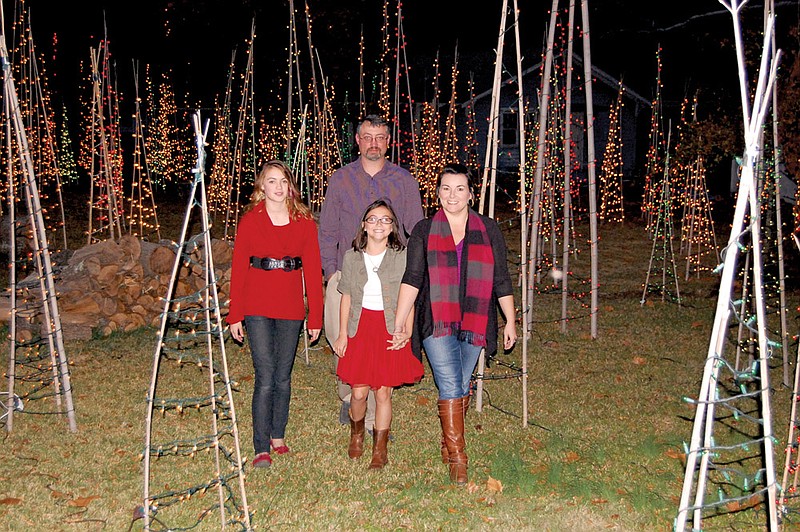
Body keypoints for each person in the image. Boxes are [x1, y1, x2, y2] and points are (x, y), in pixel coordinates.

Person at [392, 163, 517, 485]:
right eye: (446, 188)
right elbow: (413, 277)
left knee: (460, 386)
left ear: (471, 194)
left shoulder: (488, 229)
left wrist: (511, 322)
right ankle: (459, 458)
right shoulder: (423, 229)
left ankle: (447, 443)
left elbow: (501, 279)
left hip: (476, 319)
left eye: (460, 188)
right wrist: (401, 321)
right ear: (437, 193)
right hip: (437, 320)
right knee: (450, 386)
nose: (452, 195)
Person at [318, 114, 424, 433]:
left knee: (384, 338)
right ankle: (350, 397)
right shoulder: (340, 180)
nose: (373, 143)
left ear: (388, 142)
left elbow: (415, 230)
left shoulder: (404, 181)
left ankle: (380, 404)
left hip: (389, 278)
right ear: (358, 141)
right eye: (367, 137)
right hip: (347, 276)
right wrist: (332, 273)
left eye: (380, 137)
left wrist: (411, 275)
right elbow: (327, 232)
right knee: (346, 338)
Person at [227, 160, 323, 469]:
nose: (278, 187)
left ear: (290, 186)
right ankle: (260, 446)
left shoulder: (304, 221)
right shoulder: (250, 221)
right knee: (265, 376)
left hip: (290, 306)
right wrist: (234, 315)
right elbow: (239, 268)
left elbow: (312, 271)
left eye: (283, 181)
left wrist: (316, 317)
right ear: (261, 187)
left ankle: (278, 435)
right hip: (256, 304)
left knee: (283, 375)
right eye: (271, 181)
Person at [333, 200, 423, 469]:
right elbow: (346, 297)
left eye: (385, 220)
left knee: (383, 393)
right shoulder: (352, 257)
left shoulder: (402, 257)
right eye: (373, 219)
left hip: (388, 326)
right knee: (359, 393)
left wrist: (405, 329)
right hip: (360, 328)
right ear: (363, 225)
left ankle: (379, 449)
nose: (379, 224)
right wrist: (342, 335)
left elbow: (410, 294)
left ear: (393, 226)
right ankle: (357, 432)